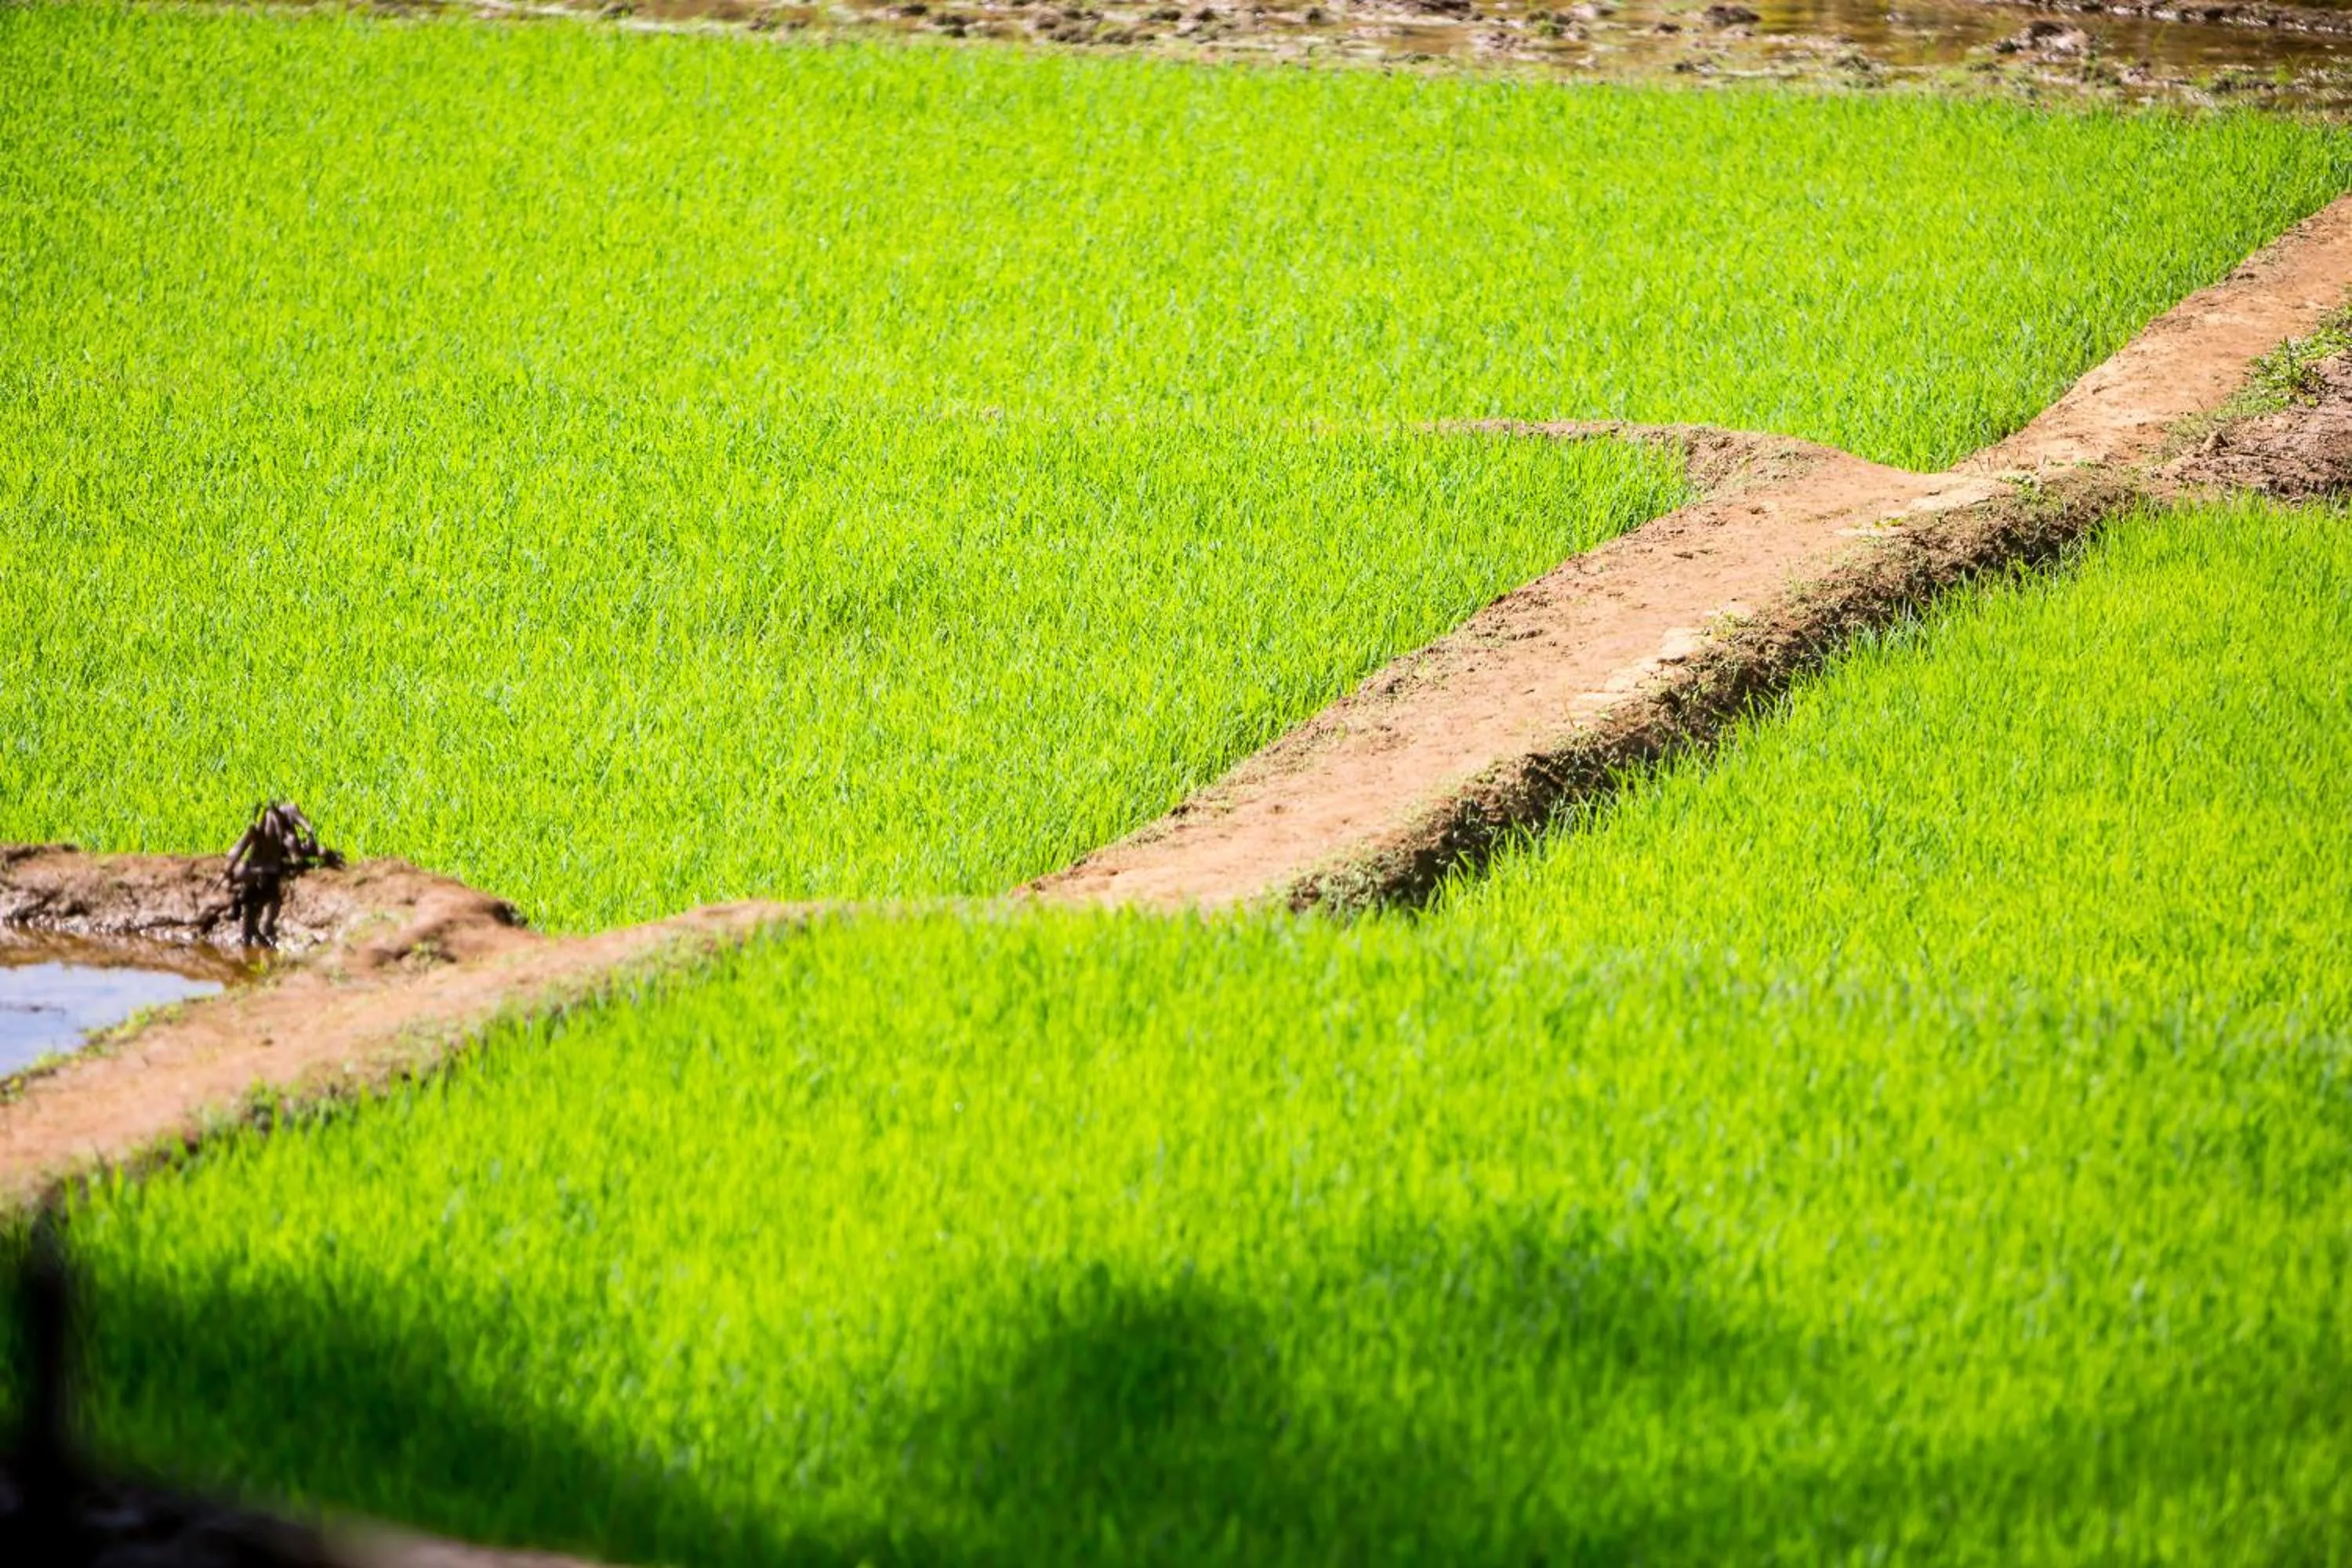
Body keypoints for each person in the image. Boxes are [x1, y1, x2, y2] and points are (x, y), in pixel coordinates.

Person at [223, 801, 337, 948]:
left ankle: (255, 937)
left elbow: (235, 852)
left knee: (259, 908)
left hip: (263, 875)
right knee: (260, 908)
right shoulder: (275, 835)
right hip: (263, 876)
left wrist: (321, 853)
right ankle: (257, 938)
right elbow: (298, 856)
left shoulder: (269, 834)